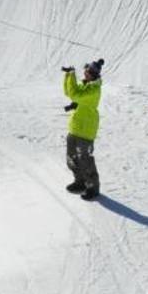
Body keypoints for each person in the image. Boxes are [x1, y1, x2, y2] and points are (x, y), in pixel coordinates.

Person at [61, 59, 103, 201]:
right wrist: (68, 76)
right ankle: (80, 182)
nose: (86, 73)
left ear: (94, 74)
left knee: (85, 160)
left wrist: (72, 76)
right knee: (72, 158)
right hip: (75, 127)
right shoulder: (85, 85)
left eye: (89, 71)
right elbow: (68, 92)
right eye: (86, 70)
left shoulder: (93, 89)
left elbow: (75, 95)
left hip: (86, 129)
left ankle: (93, 187)